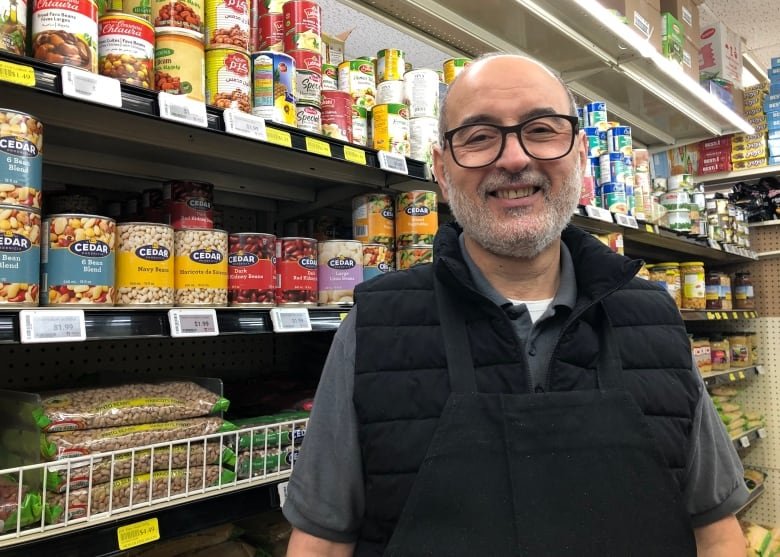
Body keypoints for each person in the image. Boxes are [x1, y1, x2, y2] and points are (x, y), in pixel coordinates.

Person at [283, 54, 749, 556]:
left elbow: (716, 534)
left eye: (542, 129)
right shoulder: (375, 323)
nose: (512, 159)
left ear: (580, 153)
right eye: (479, 136)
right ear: (441, 168)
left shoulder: (655, 318)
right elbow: (322, 546)